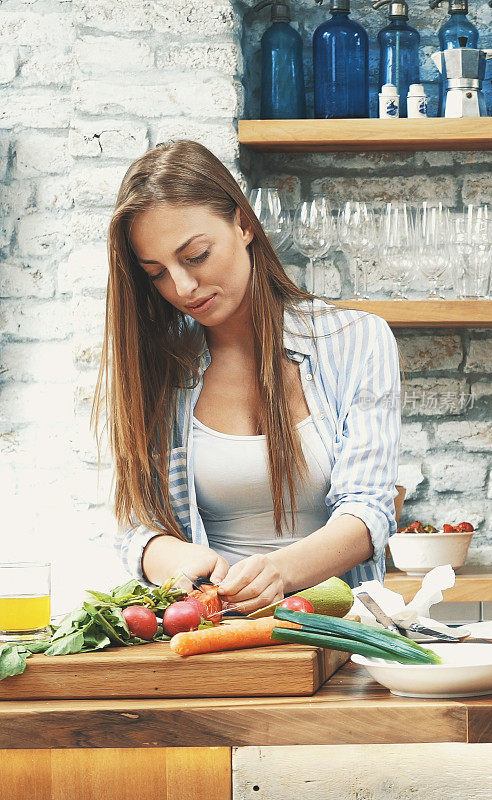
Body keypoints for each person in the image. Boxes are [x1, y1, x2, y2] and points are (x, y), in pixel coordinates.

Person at [92, 139, 401, 615]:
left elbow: (368, 513)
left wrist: (280, 572)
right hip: (214, 632)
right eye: (156, 273)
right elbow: (137, 527)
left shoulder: (357, 341)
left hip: (339, 628)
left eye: (195, 256)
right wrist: (175, 558)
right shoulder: (154, 365)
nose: (182, 287)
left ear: (243, 223)